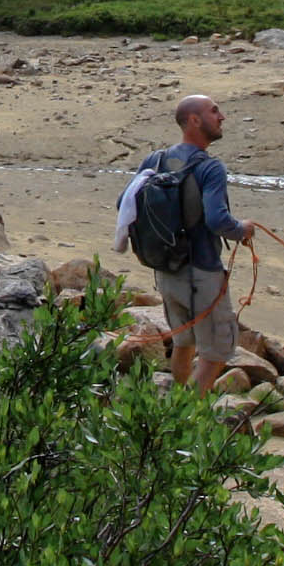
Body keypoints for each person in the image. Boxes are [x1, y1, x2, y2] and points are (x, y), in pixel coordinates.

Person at [116, 93, 260, 394]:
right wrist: (243, 229)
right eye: (214, 111)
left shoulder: (154, 160)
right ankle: (183, 419)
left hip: (165, 270)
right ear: (194, 121)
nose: (221, 117)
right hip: (202, 273)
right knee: (216, 353)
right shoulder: (210, 168)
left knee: (184, 341)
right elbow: (218, 221)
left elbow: (124, 203)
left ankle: (172, 413)